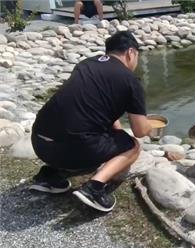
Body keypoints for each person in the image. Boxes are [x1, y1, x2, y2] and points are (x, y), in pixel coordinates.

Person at [30, 31, 152, 212]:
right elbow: (140, 131)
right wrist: (150, 124)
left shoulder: (86, 64)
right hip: (74, 149)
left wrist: (116, 131)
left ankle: (50, 175)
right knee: (132, 146)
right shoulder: (130, 80)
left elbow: (92, 106)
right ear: (130, 53)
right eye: (137, 57)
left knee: (81, 133)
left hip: (39, 142)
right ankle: (94, 189)